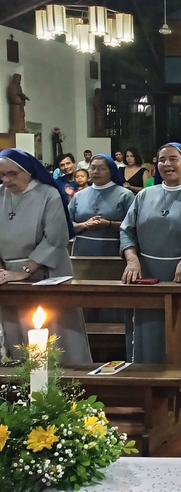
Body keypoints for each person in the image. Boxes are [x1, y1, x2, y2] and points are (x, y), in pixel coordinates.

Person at [120, 143, 181, 396]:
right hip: (149, 274)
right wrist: (132, 260)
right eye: (161, 160)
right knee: (151, 329)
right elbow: (127, 232)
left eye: (173, 159)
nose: (167, 164)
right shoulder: (144, 195)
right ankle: (150, 381)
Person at [0, 149, 90, 363]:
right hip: (6, 277)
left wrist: (23, 272)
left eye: (12, 174)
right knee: (18, 338)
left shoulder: (48, 194)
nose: (6, 180)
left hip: (47, 272)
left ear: (28, 171)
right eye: (2, 174)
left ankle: (70, 388)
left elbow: (55, 239)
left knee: (57, 337)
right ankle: (24, 391)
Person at [69, 154, 134, 258]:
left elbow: (133, 226)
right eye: (93, 167)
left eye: (102, 168)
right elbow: (66, 225)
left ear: (111, 171)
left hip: (114, 252)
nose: (96, 171)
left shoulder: (125, 195)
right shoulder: (79, 195)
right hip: (82, 253)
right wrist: (84, 225)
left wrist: (109, 224)